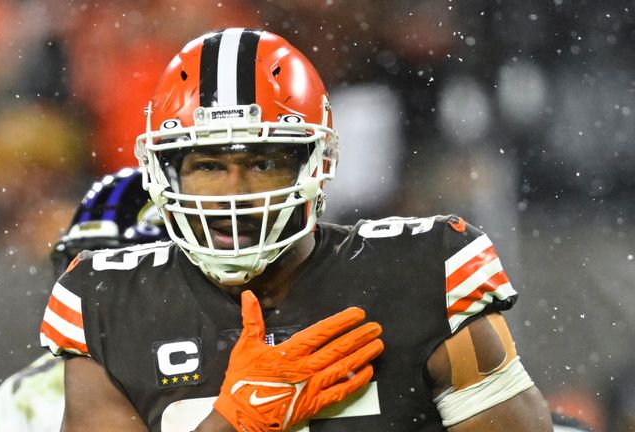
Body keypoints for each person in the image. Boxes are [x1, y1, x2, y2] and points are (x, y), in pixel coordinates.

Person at [41, 28, 553, 431]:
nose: (235, 191)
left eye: (263, 163)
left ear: (316, 164)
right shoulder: (109, 302)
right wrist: (232, 422)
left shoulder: (422, 272)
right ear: (164, 173)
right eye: (209, 166)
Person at [0, 168, 167, 431]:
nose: (92, 286)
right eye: (81, 267)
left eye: (114, 267)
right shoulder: (30, 394)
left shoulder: (230, 357)